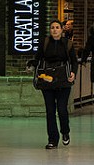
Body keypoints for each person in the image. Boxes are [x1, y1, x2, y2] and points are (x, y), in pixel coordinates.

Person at [29, 19, 78, 149]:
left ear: (62, 30)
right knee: (50, 111)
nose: (54, 30)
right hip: (47, 80)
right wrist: (32, 66)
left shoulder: (68, 44)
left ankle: (65, 131)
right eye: (52, 28)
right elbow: (38, 58)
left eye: (57, 27)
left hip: (63, 80)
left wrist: (73, 73)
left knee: (62, 109)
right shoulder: (45, 43)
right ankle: (52, 139)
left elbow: (74, 61)